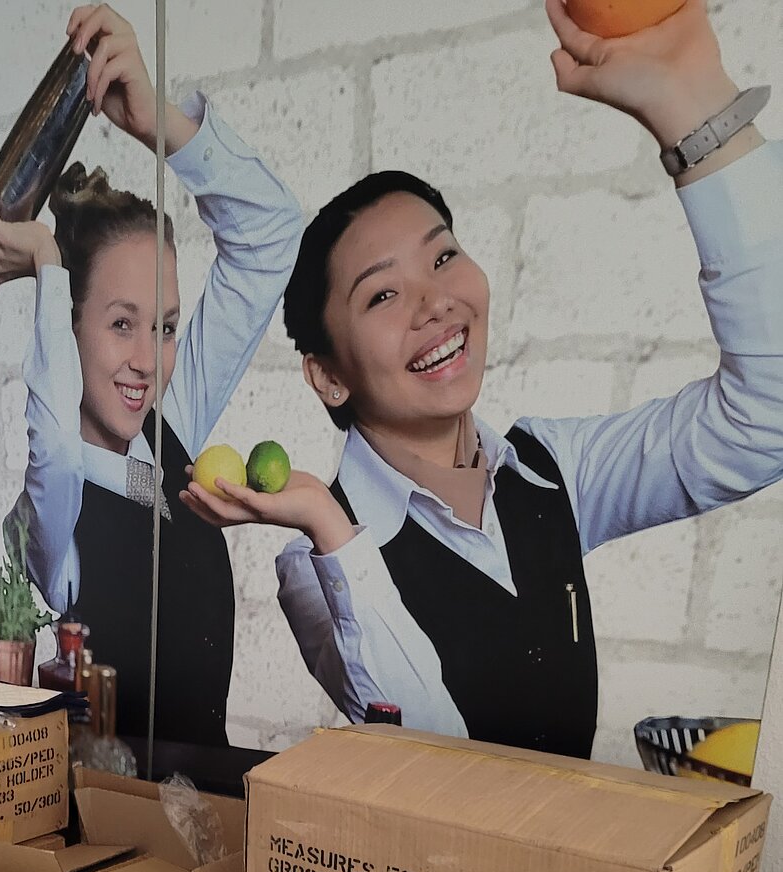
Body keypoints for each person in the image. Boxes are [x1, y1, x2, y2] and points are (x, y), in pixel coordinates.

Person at [181, 0, 783, 760]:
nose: (436, 302)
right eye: (382, 295)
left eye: (442, 257)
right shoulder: (318, 563)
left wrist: (696, 110)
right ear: (327, 376)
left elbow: (764, 419)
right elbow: (432, 748)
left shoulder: (556, 473)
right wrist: (328, 525)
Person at [0, 4, 301, 750]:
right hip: (109, 812)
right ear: (68, 324)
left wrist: (158, 125)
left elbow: (273, 235)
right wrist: (48, 263)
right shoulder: (46, 520)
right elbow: (55, 449)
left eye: (166, 326)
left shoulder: (172, 425)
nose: (148, 360)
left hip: (208, 803)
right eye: (122, 324)